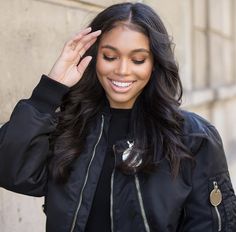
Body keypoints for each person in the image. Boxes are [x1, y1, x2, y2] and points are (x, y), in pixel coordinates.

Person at [0, 2, 235, 232]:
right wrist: (50, 91)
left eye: (138, 60)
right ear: (94, 58)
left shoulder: (193, 137)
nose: (122, 70)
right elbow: (11, 172)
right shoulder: (70, 125)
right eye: (110, 56)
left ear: (154, 64)